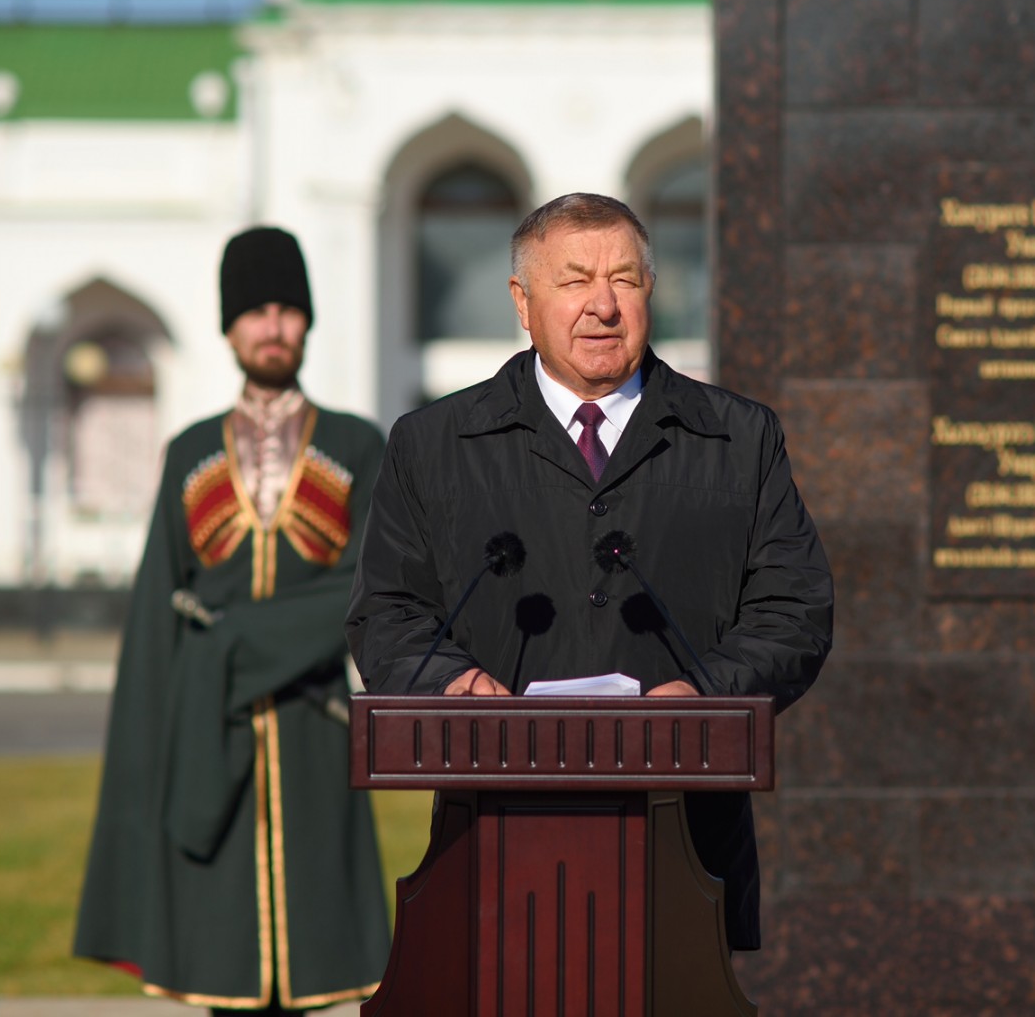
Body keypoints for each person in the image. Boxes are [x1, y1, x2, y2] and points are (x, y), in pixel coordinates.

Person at [345, 193, 834, 950]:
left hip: (687, 842)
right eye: (574, 281)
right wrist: (450, 682)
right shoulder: (434, 443)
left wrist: (706, 694)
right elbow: (388, 612)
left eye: (625, 280)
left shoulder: (738, 438)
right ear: (522, 302)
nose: (602, 306)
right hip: (493, 837)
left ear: (650, 291)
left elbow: (793, 611)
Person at [74, 227, 390, 1014]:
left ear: (307, 321)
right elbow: (159, 607)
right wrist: (150, 742)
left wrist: (238, 642)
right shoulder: (189, 452)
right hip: (205, 726)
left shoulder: (358, 444)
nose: (272, 326)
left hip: (315, 721)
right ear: (229, 328)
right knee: (219, 961)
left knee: (317, 955)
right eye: (254, 311)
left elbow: (374, 584)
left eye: (287, 309)